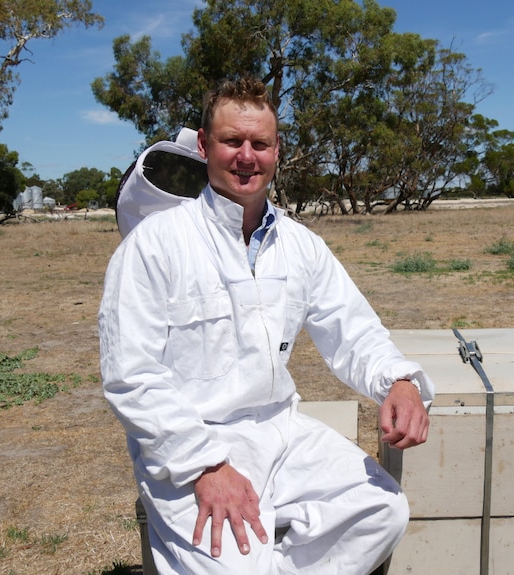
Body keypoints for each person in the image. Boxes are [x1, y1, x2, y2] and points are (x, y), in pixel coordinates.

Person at [98, 76, 434, 575]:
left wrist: (400, 381)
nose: (246, 156)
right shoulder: (155, 243)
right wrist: (205, 466)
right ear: (207, 146)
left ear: (277, 150)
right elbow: (132, 376)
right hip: (191, 448)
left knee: (381, 511)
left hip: (281, 430)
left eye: (259, 143)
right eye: (233, 141)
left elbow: (351, 328)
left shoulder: (300, 245)